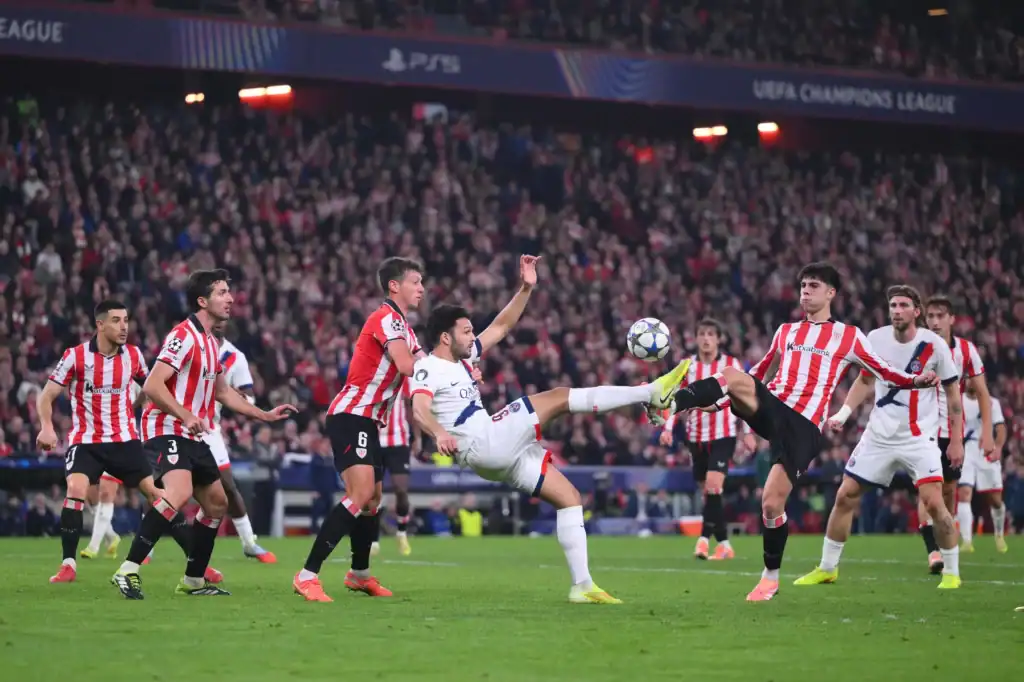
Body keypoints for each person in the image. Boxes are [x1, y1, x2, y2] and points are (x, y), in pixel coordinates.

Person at [410, 255, 690, 604]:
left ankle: (583, 586)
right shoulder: (429, 367)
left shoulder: (464, 359)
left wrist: (526, 288)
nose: (473, 336)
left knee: (569, 498)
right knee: (557, 398)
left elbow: (501, 326)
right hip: (482, 441)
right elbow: (418, 408)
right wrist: (438, 432)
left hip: (495, 451)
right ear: (444, 338)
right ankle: (651, 393)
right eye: (466, 331)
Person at [670, 263, 939, 602]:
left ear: (831, 293)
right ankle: (672, 402)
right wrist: (720, 402)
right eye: (802, 285)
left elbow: (882, 370)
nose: (805, 291)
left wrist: (914, 380)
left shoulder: (848, 336)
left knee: (770, 504)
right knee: (732, 372)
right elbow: (757, 373)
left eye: (813, 285)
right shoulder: (786, 331)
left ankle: (770, 578)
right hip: (773, 407)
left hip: (803, 426)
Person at [111, 270, 294, 599]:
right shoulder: (183, 336)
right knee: (178, 492)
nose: (230, 298)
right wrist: (185, 414)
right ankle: (128, 570)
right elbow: (152, 385)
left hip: (192, 433)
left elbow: (224, 392)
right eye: (222, 292)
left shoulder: (211, 343)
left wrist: (262, 414)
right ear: (202, 301)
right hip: (166, 426)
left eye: (229, 292)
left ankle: (193, 580)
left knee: (217, 502)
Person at [793, 285, 964, 589]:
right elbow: (865, 379)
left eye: (902, 305)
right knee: (845, 495)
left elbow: (952, 395)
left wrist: (955, 440)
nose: (896, 310)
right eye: (893, 305)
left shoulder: (934, 345)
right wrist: (843, 414)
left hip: (918, 438)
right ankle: (827, 567)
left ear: (916, 311)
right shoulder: (876, 339)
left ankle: (951, 572)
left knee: (935, 503)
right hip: (879, 436)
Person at [293, 257, 426, 602]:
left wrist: (463, 369)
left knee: (373, 499)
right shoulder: (385, 319)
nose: (422, 288)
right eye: (416, 281)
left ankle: (360, 574)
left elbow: (428, 365)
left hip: (367, 420)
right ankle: (307, 575)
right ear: (394, 286)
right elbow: (409, 366)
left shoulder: (406, 329)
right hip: (351, 414)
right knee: (361, 493)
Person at [36, 300, 160, 584]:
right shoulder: (76, 356)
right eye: (116, 320)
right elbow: (46, 395)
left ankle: (196, 565)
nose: (124, 326)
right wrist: (47, 427)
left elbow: (153, 387)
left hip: (124, 440)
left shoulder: (133, 355)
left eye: (126, 320)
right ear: (100, 324)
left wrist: (143, 404)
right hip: (87, 441)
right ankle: (68, 564)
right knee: (76, 487)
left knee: (157, 495)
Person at [660, 317, 756, 560]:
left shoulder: (732, 364)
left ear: (718, 339)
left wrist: (748, 431)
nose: (705, 339)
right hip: (696, 438)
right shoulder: (687, 366)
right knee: (710, 495)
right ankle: (723, 543)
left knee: (714, 486)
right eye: (701, 333)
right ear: (695, 338)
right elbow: (674, 399)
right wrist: (668, 427)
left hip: (723, 435)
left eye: (710, 334)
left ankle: (703, 541)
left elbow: (743, 397)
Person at [917, 295, 993, 571]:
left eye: (940, 316)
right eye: (931, 316)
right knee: (928, 490)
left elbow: (982, 392)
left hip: (952, 431)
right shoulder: (917, 348)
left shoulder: (966, 350)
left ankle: (942, 540)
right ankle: (933, 552)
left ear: (951, 319)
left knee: (948, 490)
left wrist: (987, 433)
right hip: (921, 429)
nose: (935, 321)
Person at [206, 321, 276, 563]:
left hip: (208, 428)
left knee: (228, 487)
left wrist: (225, 390)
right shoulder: (189, 344)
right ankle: (147, 547)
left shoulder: (235, 357)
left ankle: (249, 543)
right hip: (177, 422)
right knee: (162, 485)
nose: (218, 324)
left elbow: (249, 398)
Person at [957, 387, 1008, 553]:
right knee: (964, 493)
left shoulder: (992, 402)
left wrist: (998, 447)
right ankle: (966, 541)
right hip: (965, 452)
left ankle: (999, 534)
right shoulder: (957, 399)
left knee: (995, 500)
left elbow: (1000, 428)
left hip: (985, 452)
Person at [373, 380, 416, 556]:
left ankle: (401, 532)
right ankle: (373, 541)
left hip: (399, 440)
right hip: (375, 441)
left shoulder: (403, 378)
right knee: (373, 494)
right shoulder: (372, 378)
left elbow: (410, 406)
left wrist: (418, 437)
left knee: (401, 490)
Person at [79, 475, 122, 559]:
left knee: (105, 493)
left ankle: (92, 547)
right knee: (92, 496)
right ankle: (111, 536)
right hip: (92, 462)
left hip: (114, 462)